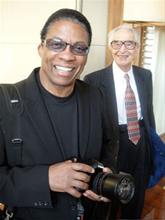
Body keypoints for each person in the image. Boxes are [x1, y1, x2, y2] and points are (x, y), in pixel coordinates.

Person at [0, 8, 112, 220]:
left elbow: (108, 146)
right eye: (56, 44)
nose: (68, 55)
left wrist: (103, 179)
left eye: (79, 48)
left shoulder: (95, 96)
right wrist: (45, 179)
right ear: (41, 47)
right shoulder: (4, 99)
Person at [84, 24, 156, 219]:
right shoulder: (94, 80)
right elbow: (91, 126)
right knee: (108, 200)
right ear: (110, 46)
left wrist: (152, 147)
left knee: (136, 196)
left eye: (129, 44)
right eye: (117, 43)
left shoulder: (145, 75)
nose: (122, 49)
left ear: (137, 47)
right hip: (112, 145)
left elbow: (148, 113)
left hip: (140, 141)